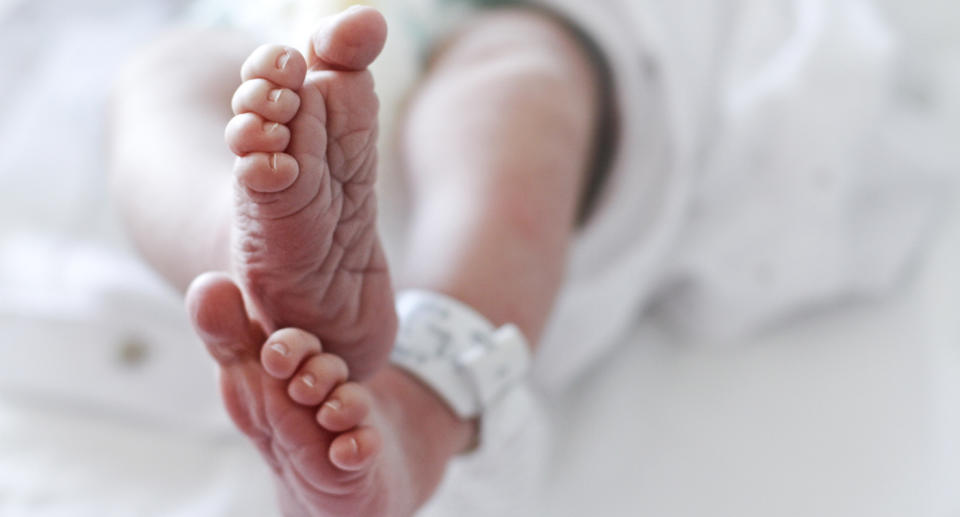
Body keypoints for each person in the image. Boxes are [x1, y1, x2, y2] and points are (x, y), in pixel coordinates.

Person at [106, 1, 958, 516]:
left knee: (519, 83)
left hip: (499, 30)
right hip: (268, 42)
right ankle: (256, 247)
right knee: (162, 86)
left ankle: (421, 388)